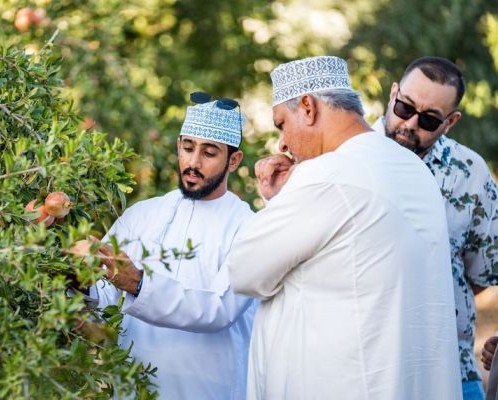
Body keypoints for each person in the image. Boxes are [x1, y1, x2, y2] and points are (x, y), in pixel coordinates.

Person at [226, 55, 461, 399]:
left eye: (281, 124)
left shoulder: (329, 175)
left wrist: (288, 194)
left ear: (308, 107)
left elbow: (243, 270)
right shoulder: (412, 169)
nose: (283, 144)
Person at [88, 93, 257, 399]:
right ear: (178, 145)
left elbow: (219, 309)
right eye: (188, 148)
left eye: (209, 153)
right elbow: (103, 300)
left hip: (211, 390)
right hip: (135, 387)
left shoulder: (248, 227)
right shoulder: (141, 215)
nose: (193, 162)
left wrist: (139, 284)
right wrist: (78, 279)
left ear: (233, 160)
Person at [372, 56, 498, 399]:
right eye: (404, 107)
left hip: (450, 370)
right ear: (393, 93)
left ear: (450, 121)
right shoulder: (347, 155)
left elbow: (481, 274)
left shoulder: (471, 174)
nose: (410, 124)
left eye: (428, 119)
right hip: (365, 370)